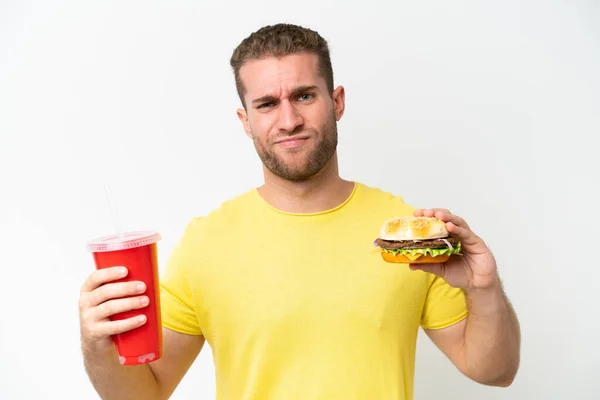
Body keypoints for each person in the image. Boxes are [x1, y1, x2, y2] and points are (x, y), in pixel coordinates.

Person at [78, 23, 521, 399]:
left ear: (337, 101)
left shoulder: (403, 234)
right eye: (267, 104)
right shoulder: (206, 243)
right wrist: (97, 343)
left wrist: (484, 289)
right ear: (245, 121)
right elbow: (145, 392)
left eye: (305, 96)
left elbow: (495, 371)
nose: (288, 119)